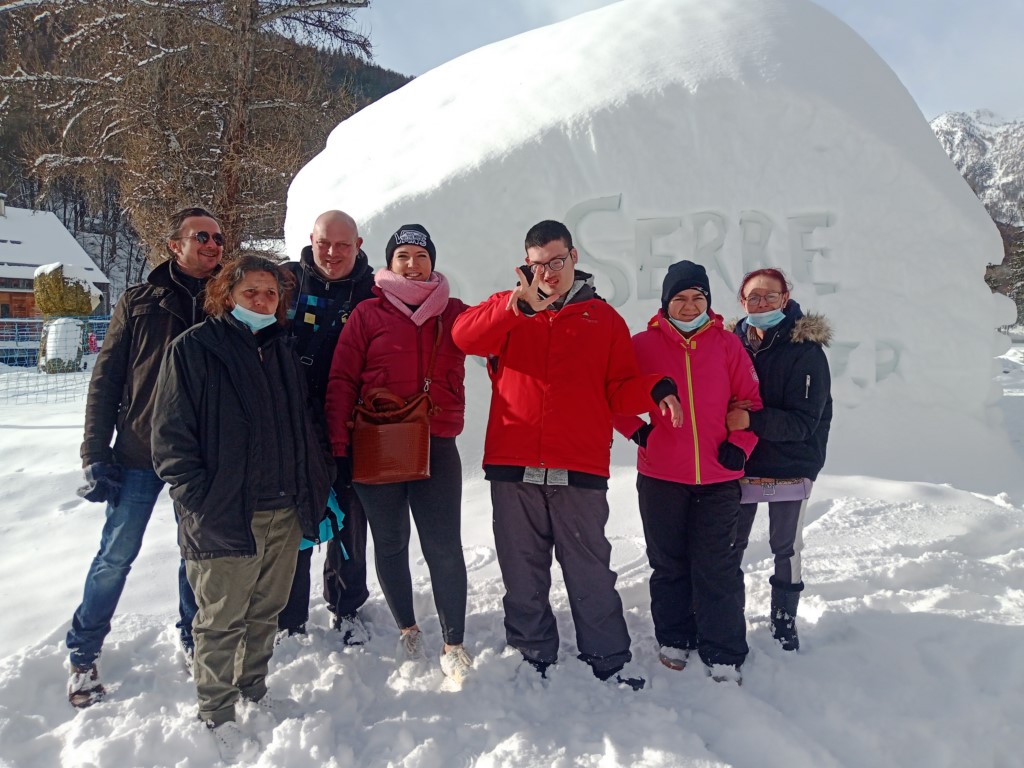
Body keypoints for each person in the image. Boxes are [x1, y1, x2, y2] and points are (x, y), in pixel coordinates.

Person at [451, 219, 683, 690]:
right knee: (521, 569)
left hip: (579, 467)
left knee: (590, 570)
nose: (548, 273)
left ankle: (608, 657)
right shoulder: (508, 309)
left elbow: (617, 391)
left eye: (557, 261)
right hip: (513, 465)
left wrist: (654, 389)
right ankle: (531, 652)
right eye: (538, 264)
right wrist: (519, 307)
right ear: (526, 265)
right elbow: (463, 337)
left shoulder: (605, 320)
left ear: (574, 256)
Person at [151, 255, 332, 760]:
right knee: (220, 619)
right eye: (251, 291)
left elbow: (305, 426)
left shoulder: (282, 350)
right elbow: (170, 438)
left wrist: (315, 481)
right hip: (226, 513)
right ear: (226, 294)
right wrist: (200, 501)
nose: (261, 300)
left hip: (283, 510)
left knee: (264, 612)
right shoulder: (194, 349)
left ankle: (252, 687)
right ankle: (216, 711)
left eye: (270, 293)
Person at [67, 206, 223, 708]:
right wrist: (95, 451)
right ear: (175, 245)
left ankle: (192, 637)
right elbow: (107, 378)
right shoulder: (139, 300)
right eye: (202, 236)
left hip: (200, 454)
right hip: (139, 449)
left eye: (218, 238)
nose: (213, 245)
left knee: (195, 555)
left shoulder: (227, 299)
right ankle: (83, 653)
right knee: (116, 555)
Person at [325, 224, 473, 685]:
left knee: (444, 546)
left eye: (421, 256)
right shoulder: (367, 314)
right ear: (389, 262)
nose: (412, 264)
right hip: (376, 446)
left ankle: (454, 644)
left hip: (436, 444)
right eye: (403, 256)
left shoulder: (453, 313)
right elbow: (342, 380)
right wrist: (339, 446)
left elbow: (494, 333)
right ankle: (408, 630)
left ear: (433, 262)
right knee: (390, 543)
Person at [614, 260, 762, 684]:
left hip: (719, 478)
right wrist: (639, 432)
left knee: (717, 566)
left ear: (708, 302)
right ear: (665, 303)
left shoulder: (727, 345)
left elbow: (750, 401)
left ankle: (724, 649)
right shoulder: (642, 344)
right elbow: (614, 394)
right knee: (668, 563)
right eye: (680, 298)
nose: (689, 305)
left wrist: (740, 446)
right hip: (661, 477)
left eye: (698, 297)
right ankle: (675, 636)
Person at [277, 210, 376, 645]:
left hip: (352, 424)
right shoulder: (283, 283)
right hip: (291, 425)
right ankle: (288, 617)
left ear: (358, 245)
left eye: (342, 245)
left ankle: (347, 607)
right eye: (324, 243)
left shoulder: (374, 291)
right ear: (311, 239)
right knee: (292, 519)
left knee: (350, 517)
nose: (332, 253)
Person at [728, 268, 832, 652]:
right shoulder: (729, 345)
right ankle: (728, 616)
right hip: (740, 460)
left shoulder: (806, 351)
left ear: (785, 298)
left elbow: (805, 422)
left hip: (791, 462)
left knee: (786, 547)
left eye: (770, 296)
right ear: (742, 301)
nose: (762, 304)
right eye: (753, 297)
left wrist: (751, 419)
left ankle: (784, 621)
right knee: (729, 545)